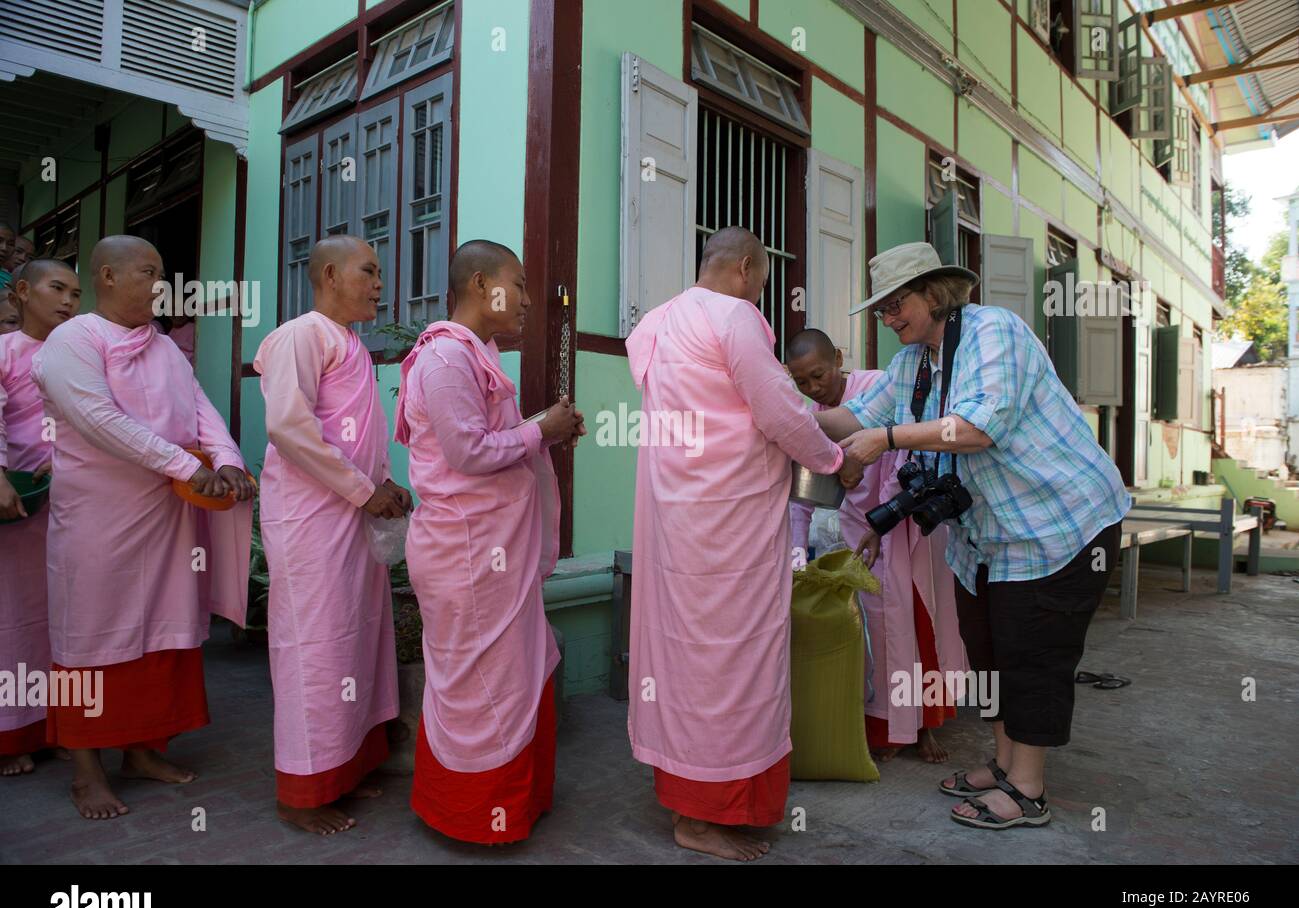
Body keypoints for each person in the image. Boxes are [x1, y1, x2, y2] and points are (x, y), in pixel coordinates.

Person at [816, 241, 1130, 829]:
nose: (887, 318)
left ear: (933, 293)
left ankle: (1028, 790)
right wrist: (774, 412)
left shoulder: (994, 332)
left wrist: (887, 441)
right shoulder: (913, 363)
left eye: (895, 304)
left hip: (1058, 524)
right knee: (985, 650)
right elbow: (851, 418)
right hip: (986, 534)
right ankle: (1005, 763)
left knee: (1031, 652)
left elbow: (976, 428)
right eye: (880, 309)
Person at [625, 226, 862, 861]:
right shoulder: (735, 318)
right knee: (732, 661)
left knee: (687, 660)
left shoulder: (657, 324)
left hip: (677, 523)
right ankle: (703, 817)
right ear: (746, 268)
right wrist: (835, 457)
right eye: (761, 278)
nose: (762, 290)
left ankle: (697, 801)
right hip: (730, 528)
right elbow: (781, 413)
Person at [31, 236, 253, 820]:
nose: (161, 284)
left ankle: (142, 750)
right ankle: (85, 772)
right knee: (90, 637)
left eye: (162, 273)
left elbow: (201, 408)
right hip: (99, 520)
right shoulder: (73, 340)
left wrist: (227, 458)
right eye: (149, 272)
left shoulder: (161, 348)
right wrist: (185, 465)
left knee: (163, 633)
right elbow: (97, 419)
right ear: (107, 275)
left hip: (169, 518)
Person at [396, 239, 584, 844]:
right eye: (520, 284)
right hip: (469, 551)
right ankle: (476, 817)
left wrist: (542, 431)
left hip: (491, 550)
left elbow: (484, 441)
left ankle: (516, 803)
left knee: (511, 676)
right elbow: (468, 452)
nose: (529, 299)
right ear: (481, 286)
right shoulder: (447, 360)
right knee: (483, 687)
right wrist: (540, 432)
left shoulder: (477, 355)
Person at [254, 235, 410, 835]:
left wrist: (385, 485)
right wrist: (363, 490)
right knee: (315, 646)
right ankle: (300, 791)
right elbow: (288, 429)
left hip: (352, 513)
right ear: (328, 274)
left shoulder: (351, 344)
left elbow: (359, 436)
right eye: (368, 271)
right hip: (312, 519)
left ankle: (344, 766)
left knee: (356, 639)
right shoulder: (304, 334)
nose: (378, 282)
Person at [786, 328, 965, 764]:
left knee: (921, 622)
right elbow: (802, 499)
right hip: (861, 535)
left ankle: (925, 727)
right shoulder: (811, 417)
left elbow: (907, 454)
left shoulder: (878, 387)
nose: (814, 388)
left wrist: (881, 516)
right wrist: (795, 557)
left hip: (905, 523)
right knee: (881, 634)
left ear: (839, 359)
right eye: (802, 382)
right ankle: (888, 725)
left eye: (819, 375)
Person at [0, 259, 81, 775]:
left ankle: (56, 725)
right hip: (16, 503)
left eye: (76, 292)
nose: (70, 301)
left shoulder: (78, 355)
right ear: (23, 291)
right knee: (12, 621)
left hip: (70, 505)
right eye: (58, 288)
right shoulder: (4, 352)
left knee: (61, 620)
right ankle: (11, 735)